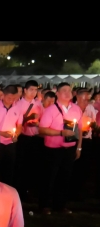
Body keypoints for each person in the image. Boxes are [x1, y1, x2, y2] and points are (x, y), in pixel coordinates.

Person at [38, 83, 83, 215]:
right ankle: (45, 205)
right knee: (49, 177)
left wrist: (79, 147)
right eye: (64, 90)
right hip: (53, 149)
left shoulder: (76, 109)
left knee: (65, 177)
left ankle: (60, 204)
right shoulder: (51, 109)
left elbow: (79, 129)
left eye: (69, 90)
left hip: (69, 148)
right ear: (57, 93)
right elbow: (42, 129)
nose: (68, 93)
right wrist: (60, 133)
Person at [14, 81, 44, 200]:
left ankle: (29, 190)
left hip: (35, 137)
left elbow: (42, 118)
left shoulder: (38, 104)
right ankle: (20, 190)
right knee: (21, 165)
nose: (33, 92)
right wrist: (29, 119)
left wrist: (37, 123)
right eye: (31, 90)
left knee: (33, 165)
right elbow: (16, 120)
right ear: (25, 90)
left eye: (35, 90)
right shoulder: (18, 104)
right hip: (23, 138)